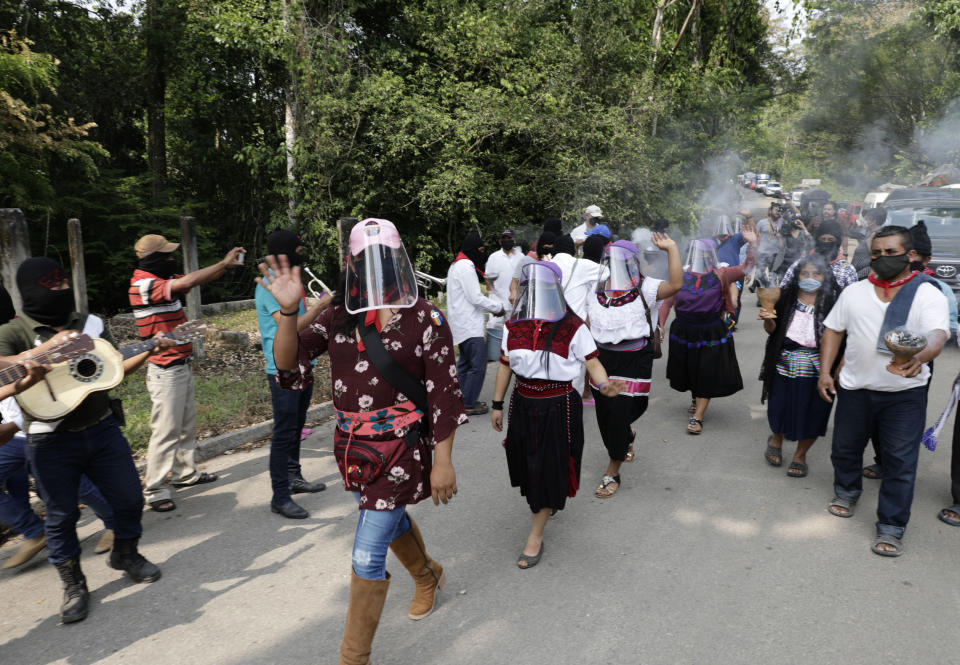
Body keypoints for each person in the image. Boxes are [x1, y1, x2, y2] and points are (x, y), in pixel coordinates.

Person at [260, 218, 464, 665]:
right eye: (362, 259)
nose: (373, 267)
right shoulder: (336, 317)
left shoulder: (426, 318)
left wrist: (443, 461)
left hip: (402, 449)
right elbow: (288, 363)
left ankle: (354, 658)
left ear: (398, 260)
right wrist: (292, 313)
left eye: (382, 257)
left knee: (367, 553)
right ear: (350, 264)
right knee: (386, 519)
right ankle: (428, 575)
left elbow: (444, 394)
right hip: (353, 450)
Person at [0, 258, 172, 623]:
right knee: (61, 517)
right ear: (29, 290)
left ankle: (125, 554)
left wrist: (147, 351)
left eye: (63, 284)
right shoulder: (13, 333)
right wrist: (38, 356)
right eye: (51, 285)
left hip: (102, 429)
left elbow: (112, 370)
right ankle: (74, 584)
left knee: (129, 498)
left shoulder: (91, 324)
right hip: (48, 441)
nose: (60, 291)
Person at [818, 226, 949, 557]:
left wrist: (920, 356)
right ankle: (847, 491)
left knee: (900, 462)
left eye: (891, 252)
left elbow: (937, 335)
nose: (882, 259)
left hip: (904, 395)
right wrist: (824, 372)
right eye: (876, 253)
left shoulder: (927, 293)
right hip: (855, 389)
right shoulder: (855, 292)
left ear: (911, 255)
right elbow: (834, 329)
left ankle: (891, 526)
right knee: (845, 449)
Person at [490, 261, 622, 567]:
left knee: (545, 468)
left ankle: (535, 536)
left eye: (545, 285)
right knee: (527, 464)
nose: (536, 291)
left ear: (556, 289)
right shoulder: (515, 326)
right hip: (523, 404)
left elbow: (592, 363)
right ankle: (545, 500)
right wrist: (497, 405)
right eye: (531, 286)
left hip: (558, 405)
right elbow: (505, 365)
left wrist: (603, 385)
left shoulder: (574, 327)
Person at [129, 234, 245, 511]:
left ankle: (185, 474)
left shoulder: (161, 278)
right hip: (165, 369)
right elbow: (189, 281)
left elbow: (193, 278)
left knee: (185, 426)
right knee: (166, 431)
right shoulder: (143, 284)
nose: (171, 259)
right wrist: (224, 263)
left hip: (180, 362)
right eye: (166, 255)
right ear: (150, 257)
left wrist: (222, 268)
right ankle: (155, 488)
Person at [585, 235, 682, 498]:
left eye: (621, 260)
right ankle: (624, 436)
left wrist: (671, 248)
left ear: (632, 262)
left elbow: (675, 284)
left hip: (634, 360)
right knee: (606, 414)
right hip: (602, 360)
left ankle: (612, 470)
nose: (615, 265)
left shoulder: (645, 288)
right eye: (611, 260)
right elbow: (587, 323)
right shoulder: (596, 289)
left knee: (622, 412)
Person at [861, 220, 958, 481]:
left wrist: (920, 348)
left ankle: (898, 465)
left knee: (904, 418)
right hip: (875, 360)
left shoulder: (937, 290)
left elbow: (945, 329)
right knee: (874, 415)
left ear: (925, 259)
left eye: (917, 257)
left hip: (916, 359)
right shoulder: (872, 284)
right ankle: (882, 460)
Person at [255, 229, 332, 519]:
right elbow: (294, 325)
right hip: (281, 369)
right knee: (284, 433)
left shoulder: (293, 283)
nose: (302, 251)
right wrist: (322, 306)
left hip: (302, 364)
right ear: (286, 252)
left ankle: (294, 477)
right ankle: (280, 495)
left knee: (296, 428)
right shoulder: (268, 287)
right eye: (297, 248)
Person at [666, 227, 757, 434]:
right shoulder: (680, 274)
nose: (702, 257)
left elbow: (747, 266)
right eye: (699, 253)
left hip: (711, 332)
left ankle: (697, 416)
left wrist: (752, 244)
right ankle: (696, 397)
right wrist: (660, 324)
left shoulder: (721, 274)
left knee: (706, 371)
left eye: (706, 253)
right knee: (691, 369)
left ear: (712, 255)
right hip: (684, 332)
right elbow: (668, 300)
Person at [758, 254, 840, 478]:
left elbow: (842, 335)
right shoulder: (784, 297)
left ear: (825, 276)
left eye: (816, 273)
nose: (810, 277)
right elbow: (773, 331)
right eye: (805, 273)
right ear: (797, 275)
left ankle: (800, 455)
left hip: (819, 366)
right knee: (780, 406)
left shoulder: (833, 301)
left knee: (814, 412)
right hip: (784, 362)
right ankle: (776, 438)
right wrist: (768, 318)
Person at [447, 230, 506, 416]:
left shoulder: (456, 265)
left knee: (465, 364)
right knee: (478, 365)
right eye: (480, 250)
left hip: (461, 324)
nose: (482, 253)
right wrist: (497, 307)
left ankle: (462, 400)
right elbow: (475, 297)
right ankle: (469, 404)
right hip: (469, 326)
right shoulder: (466, 267)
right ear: (473, 249)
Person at [779, 219, 857, 291]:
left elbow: (852, 299)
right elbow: (783, 289)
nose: (826, 243)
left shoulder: (846, 269)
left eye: (830, 240)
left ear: (837, 242)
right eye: (823, 239)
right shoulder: (801, 264)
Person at [483, 229, 525, 359]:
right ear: (500, 241)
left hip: (517, 304)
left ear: (514, 240)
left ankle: (514, 357)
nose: (507, 241)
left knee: (515, 333)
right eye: (504, 239)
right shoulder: (493, 257)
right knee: (495, 331)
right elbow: (488, 281)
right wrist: (492, 300)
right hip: (498, 304)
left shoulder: (521, 257)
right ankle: (495, 357)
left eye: (509, 238)